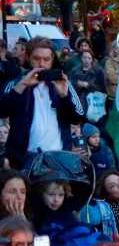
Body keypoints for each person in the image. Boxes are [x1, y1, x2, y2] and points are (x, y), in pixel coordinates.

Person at [0, 37, 85, 168]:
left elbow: (78, 117)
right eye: (36, 58)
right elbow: (2, 110)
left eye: (46, 59)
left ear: (52, 61)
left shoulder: (62, 83)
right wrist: (22, 86)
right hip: (25, 159)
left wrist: (64, 96)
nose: (41, 64)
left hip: (58, 157)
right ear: (28, 58)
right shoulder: (16, 83)